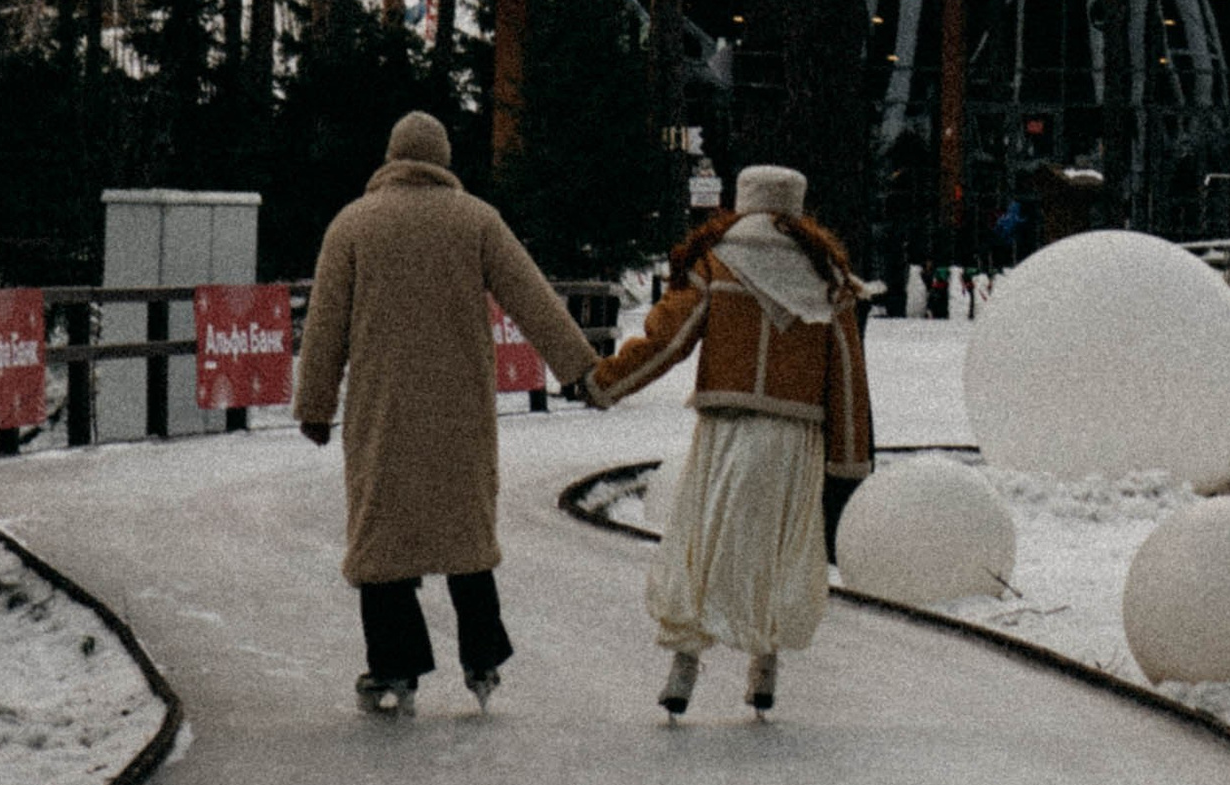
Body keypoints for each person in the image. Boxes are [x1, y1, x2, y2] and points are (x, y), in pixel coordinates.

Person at [295, 108, 599, 716]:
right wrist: (580, 368)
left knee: (382, 539)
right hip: (461, 410)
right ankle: (482, 658)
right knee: (466, 537)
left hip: (382, 409)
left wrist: (316, 406)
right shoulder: (477, 220)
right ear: (443, 161)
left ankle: (395, 667)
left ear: (391, 157)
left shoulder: (352, 225)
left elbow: (325, 327)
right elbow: (533, 298)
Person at [587, 161, 874, 720]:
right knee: (778, 550)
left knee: (705, 543)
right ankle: (765, 667)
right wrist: (849, 459)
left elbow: (668, 341)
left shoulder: (716, 264)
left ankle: (684, 667)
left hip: (726, 429)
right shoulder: (828, 278)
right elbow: (846, 376)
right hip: (795, 438)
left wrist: (607, 382)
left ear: (741, 202)